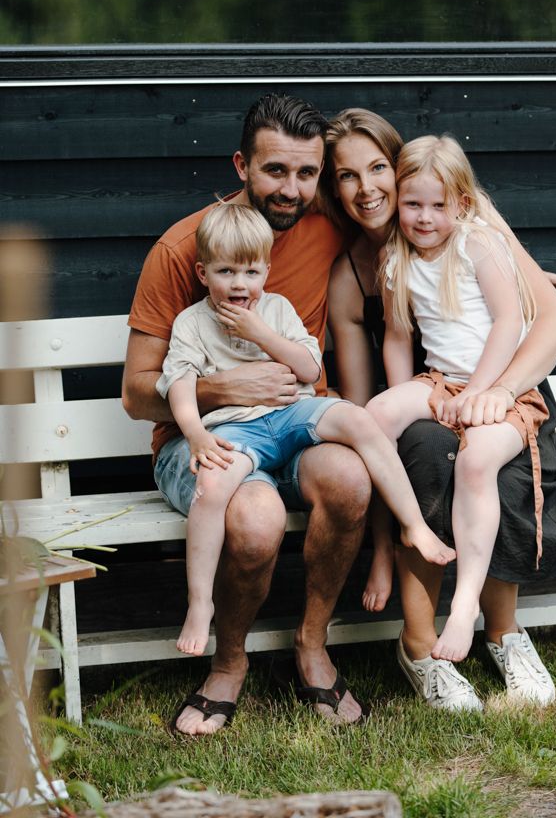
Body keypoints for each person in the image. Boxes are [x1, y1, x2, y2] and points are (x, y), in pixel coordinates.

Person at [325, 108, 556, 711]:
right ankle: (419, 640)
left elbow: (529, 313)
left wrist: (494, 387)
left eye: (378, 168)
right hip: (437, 387)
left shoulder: (475, 225)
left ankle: (497, 630)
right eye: (348, 176)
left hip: (501, 385)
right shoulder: (366, 265)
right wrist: (418, 405)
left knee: (488, 464)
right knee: (404, 441)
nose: (367, 188)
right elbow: (385, 363)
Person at [123, 93, 370, 733]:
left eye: (307, 173)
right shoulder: (184, 249)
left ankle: (312, 646)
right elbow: (136, 393)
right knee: (256, 520)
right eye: (275, 171)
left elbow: (423, 216)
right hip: (201, 441)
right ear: (241, 165)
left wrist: (518, 274)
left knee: (348, 480)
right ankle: (228, 664)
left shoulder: (325, 223)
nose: (292, 190)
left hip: (289, 422)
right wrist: (221, 388)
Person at [157, 200, 455, 659]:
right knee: (212, 487)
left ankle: (413, 524)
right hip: (237, 433)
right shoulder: (192, 323)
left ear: (266, 271)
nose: (240, 284)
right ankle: (200, 604)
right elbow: (180, 385)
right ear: (202, 273)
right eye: (226, 272)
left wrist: (261, 334)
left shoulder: (275, 309)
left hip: (290, 415)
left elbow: (308, 366)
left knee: (357, 417)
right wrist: (196, 435)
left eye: (252, 272)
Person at [366, 134, 549, 665]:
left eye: (437, 205)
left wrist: (480, 393)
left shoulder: (477, 242)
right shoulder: (396, 258)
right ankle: (407, 529)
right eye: (412, 204)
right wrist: (409, 395)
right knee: (377, 416)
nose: (424, 218)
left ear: (461, 204)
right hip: (442, 382)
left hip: (501, 388)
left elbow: (510, 320)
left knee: (474, 463)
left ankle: (465, 601)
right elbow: (399, 337)